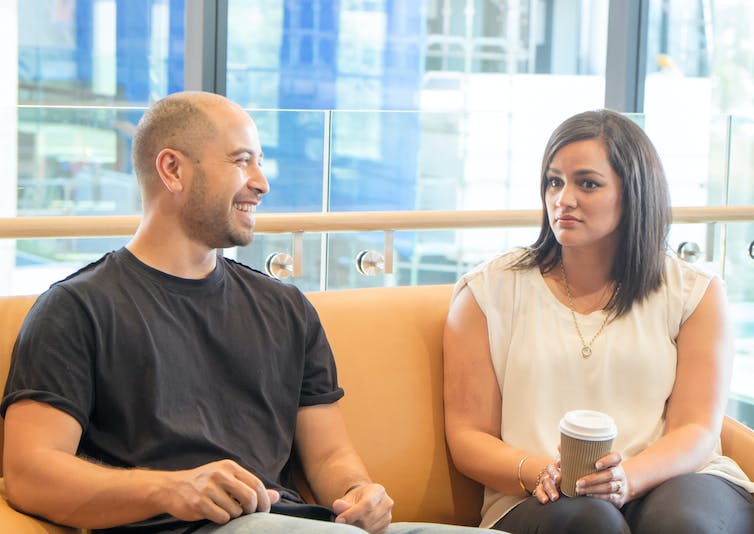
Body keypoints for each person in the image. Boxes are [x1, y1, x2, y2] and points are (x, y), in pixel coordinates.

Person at [1, 91, 492, 534]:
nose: (261, 183)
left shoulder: (285, 307)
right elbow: (28, 473)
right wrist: (170, 489)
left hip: (295, 523)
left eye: (260, 162)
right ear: (172, 169)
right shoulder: (76, 308)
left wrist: (359, 492)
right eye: (242, 162)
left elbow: (328, 455)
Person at [443, 109, 754, 533]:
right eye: (554, 181)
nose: (563, 199)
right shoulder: (487, 291)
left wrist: (628, 479)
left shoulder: (694, 292)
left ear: (634, 194)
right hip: (541, 495)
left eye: (587, 183)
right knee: (591, 523)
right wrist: (539, 471)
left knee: (684, 524)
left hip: (676, 479)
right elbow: (467, 435)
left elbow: (697, 429)